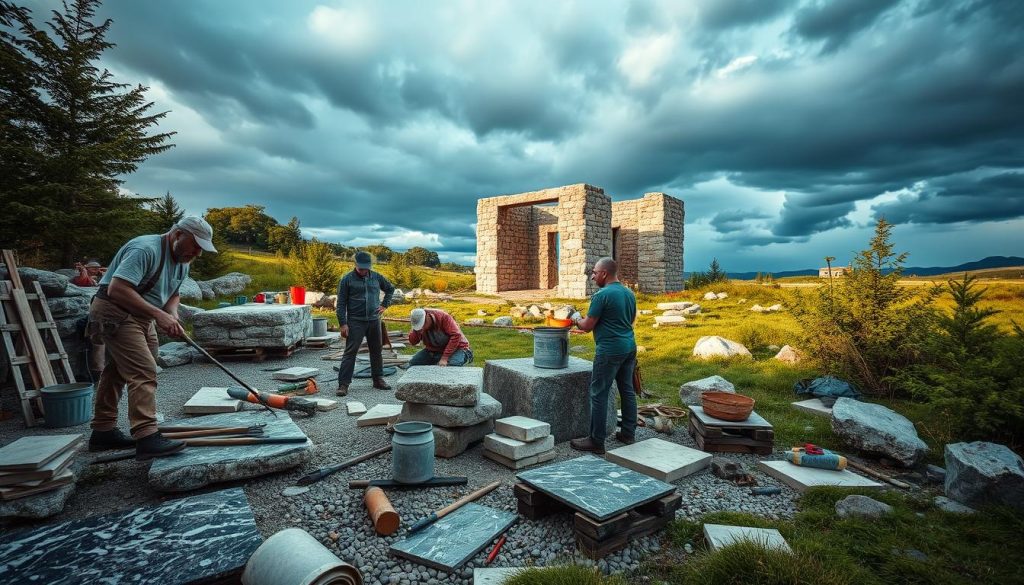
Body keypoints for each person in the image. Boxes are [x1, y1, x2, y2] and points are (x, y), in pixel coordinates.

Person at [86, 216, 217, 460]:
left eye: (202, 248)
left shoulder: (182, 259)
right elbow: (118, 289)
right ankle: (146, 436)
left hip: (141, 316)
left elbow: (173, 293)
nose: (197, 253)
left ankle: (102, 431)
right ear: (178, 234)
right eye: (195, 245)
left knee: (116, 370)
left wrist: (172, 316)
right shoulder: (145, 249)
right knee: (144, 370)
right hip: (115, 312)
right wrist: (158, 315)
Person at [569, 257, 638, 454]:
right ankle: (627, 434)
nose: (592, 277)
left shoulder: (602, 295)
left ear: (604, 273)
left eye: (594, 273)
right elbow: (630, 320)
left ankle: (596, 441)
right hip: (629, 347)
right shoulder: (629, 293)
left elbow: (587, 326)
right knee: (627, 390)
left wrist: (575, 318)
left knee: (598, 393)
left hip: (609, 350)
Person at [335, 251, 396, 396]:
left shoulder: (376, 277)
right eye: (361, 268)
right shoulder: (347, 280)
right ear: (355, 265)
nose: (363, 271)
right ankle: (343, 384)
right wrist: (343, 324)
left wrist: (385, 304)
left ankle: (378, 379)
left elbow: (390, 289)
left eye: (366, 268)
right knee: (350, 352)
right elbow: (341, 303)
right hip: (355, 322)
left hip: (374, 320)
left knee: (376, 351)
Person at [407, 308, 473, 366]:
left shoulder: (443, 317)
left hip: (458, 348)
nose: (423, 328)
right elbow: (413, 342)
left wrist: (445, 357)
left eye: (423, 325)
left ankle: (463, 356)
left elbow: (456, 335)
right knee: (414, 363)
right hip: (434, 350)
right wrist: (416, 331)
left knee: (452, 364)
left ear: (427, 316)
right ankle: (437, 359)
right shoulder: (419, 325)